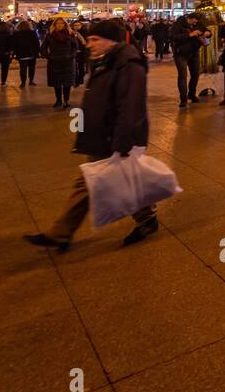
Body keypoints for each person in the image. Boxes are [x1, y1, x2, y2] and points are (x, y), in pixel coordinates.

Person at [25, 19, 158, 251]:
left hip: (115, 137)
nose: (90, 44)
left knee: (97, 182)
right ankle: (63, 232)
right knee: (96, 182)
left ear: (111, 41)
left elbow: (131, 106)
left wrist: (122, 143)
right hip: (104, 133)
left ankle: (62, 232)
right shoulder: (105, 61)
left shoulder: (129, 64)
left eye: (95, 40)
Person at [40, 17, 82, 108]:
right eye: (58, 23)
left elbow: (75, 47)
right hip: (54, 61)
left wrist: (71, 55)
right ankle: (58, 100)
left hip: (68, 61)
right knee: (57, 82)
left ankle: (66, 100)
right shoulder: (50, 35)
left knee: (67, 82)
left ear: (65, 25)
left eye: (62, 23)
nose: (60, 25)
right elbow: (43, 47)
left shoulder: (70, 34)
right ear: (54, 25)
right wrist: (48, 56)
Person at [170, 12, 205, 106]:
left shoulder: (197, 23)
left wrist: (208, 33)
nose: (194, 24)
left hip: (194, 52)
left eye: (196, 23)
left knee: (195, 74)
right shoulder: (178, 24)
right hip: (181, 53)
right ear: (189, 18)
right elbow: (172, 36)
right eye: (193, 22)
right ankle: (183, 98)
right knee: (182, 75)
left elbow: (205, 30)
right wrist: (189, 35)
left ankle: (191, 94)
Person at [11, 20, 41, 87]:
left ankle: (23, 82)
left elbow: (14, 44)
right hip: (31, 53)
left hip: (21, 53)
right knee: (32, 67)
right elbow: (36, 43)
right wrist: (38, 51)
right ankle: (31, 81)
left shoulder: (16, 33)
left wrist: (15, 51)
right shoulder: (32, 33)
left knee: (22, 68)